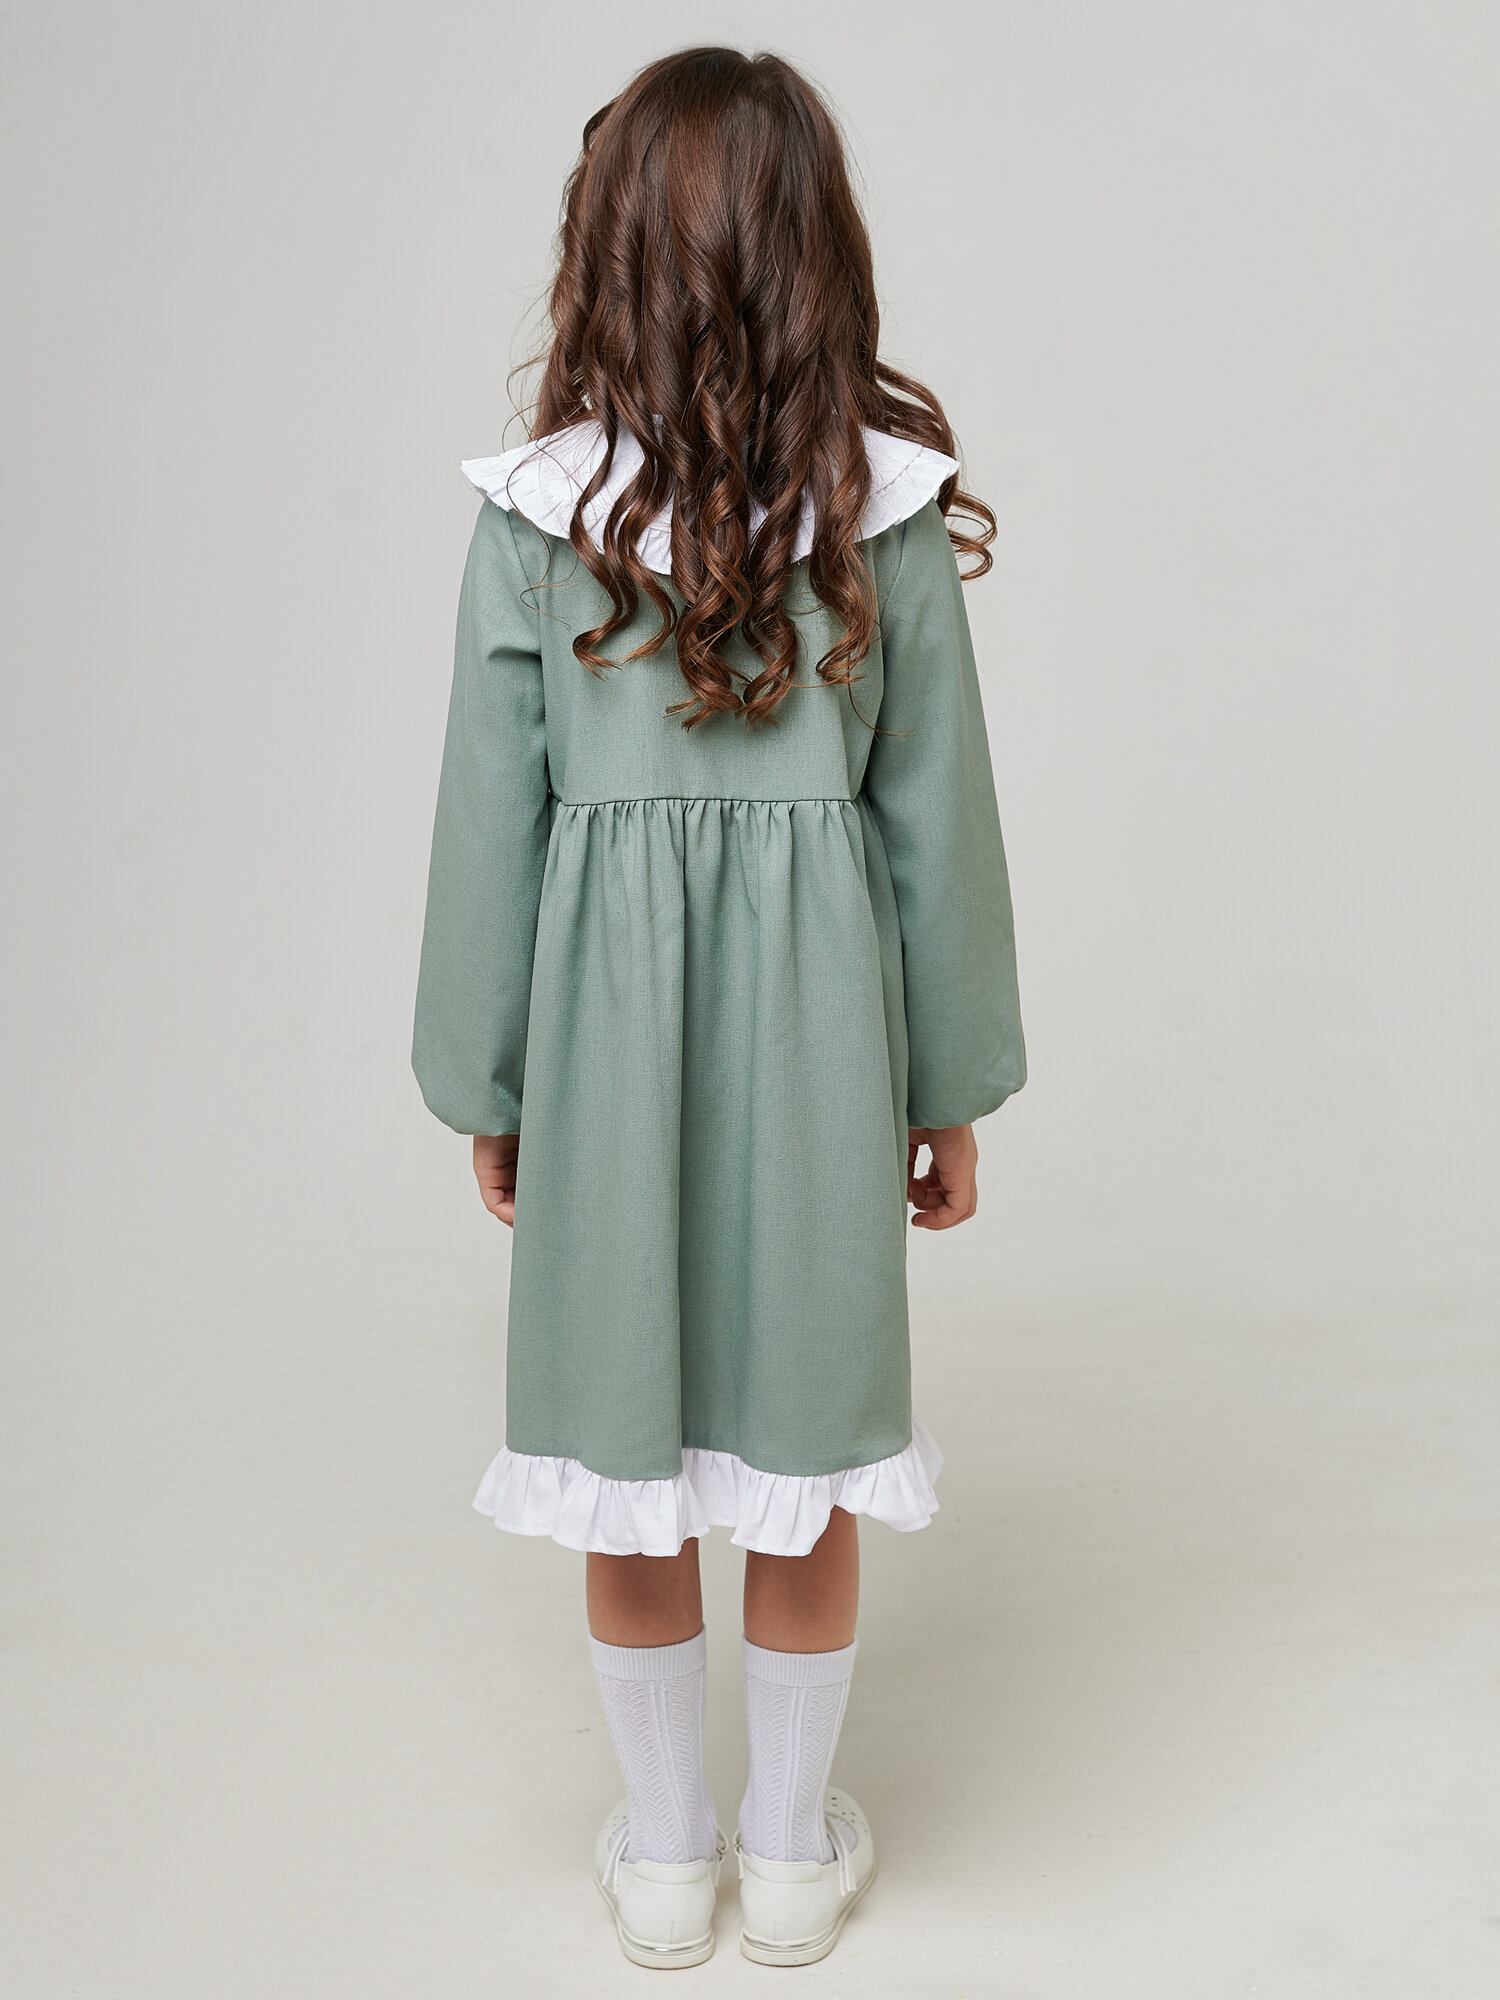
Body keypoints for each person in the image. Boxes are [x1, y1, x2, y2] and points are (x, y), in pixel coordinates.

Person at [413, 45, 1025, 1970]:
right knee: (803, 1448)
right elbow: (936, 827)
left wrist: (489, 1081)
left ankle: (669, 1857)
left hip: (601, 1040)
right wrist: (949, 1088)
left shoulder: (540, 517)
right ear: (815, 249)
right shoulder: (880, 510)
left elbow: (489, 828)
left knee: (630, 1454)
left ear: (603, 251)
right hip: (826, 1033)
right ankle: (789, 1856)